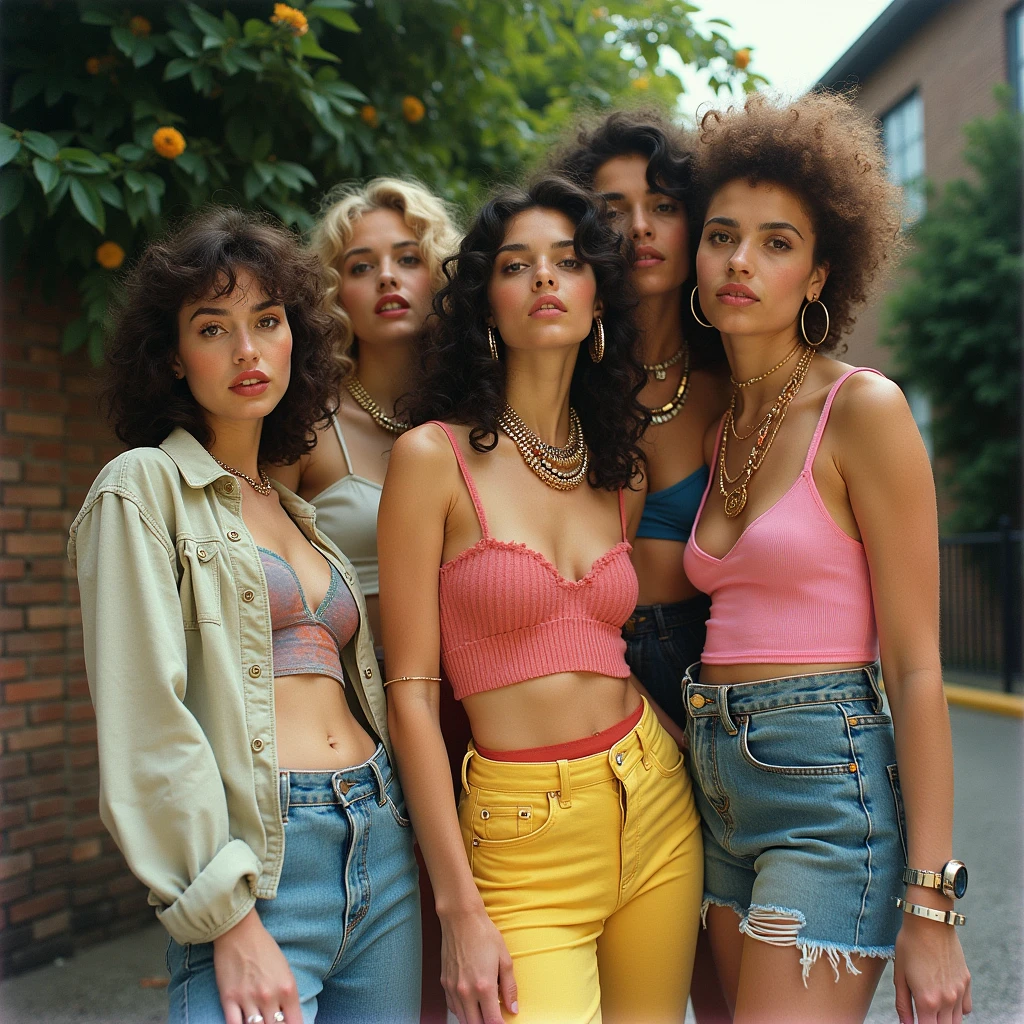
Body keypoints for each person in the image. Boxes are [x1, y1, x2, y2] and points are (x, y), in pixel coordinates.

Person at [69, 209, 421, 1024]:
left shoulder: (295, 510)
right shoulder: (142, 488)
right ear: (172, 356)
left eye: (267, 321)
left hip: (380, 837)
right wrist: (225, 917)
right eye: (212, 328)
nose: (247, 350)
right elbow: (145, 723)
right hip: (263, 864)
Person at [378, 175, 703, 1024]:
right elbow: (410, 695)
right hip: (522, 834)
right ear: (487, 303)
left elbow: (614, 646)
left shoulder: (617, 470)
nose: (546, 280)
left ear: (599, 296)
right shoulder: (430, 459)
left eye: (568, 262)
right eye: (517, 266)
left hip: (654, 800)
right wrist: (458, 909)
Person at [683, 93, 972, 1023]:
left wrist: (931, 904)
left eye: (776, 243)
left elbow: (918, 665)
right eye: (722, 235)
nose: (741, 261)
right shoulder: (715, 424)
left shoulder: (864, 410)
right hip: (713, 781)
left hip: (827, 791)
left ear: (817, 276)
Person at [552, 110, 729, 741]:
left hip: (722, 667)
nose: (641, 228)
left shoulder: (736, 383)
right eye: (613, 209)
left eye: (663, 205)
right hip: (588, 672)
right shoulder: (558, 382)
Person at [273, 178, 461, 647]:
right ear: (333, 295)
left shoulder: (478, 419)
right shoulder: (307, 425)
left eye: (408, 258)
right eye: (361, 267)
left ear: (439, 274)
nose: (386, 277)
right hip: (352, 696)